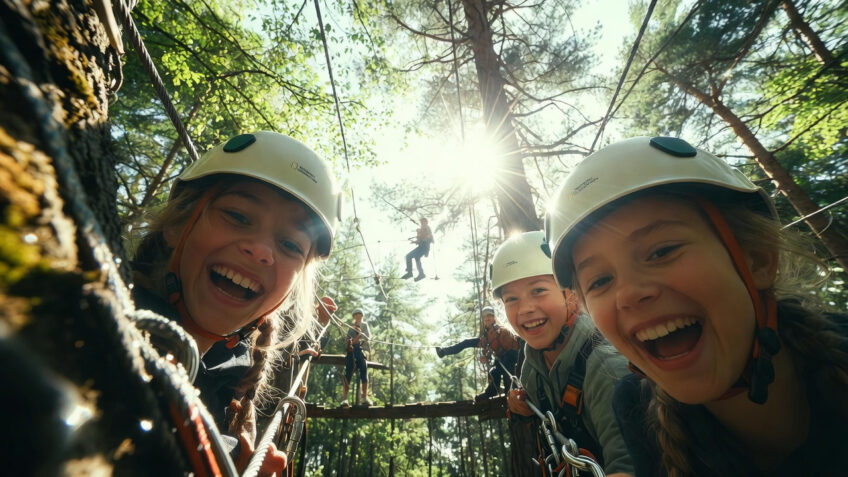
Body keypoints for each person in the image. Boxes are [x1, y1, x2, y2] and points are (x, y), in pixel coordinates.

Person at [546, 136, 848, 476]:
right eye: (600, 281)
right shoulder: (634, 403)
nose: (628, 295)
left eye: (662, 251)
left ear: (758, 261)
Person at [131, 131, 341, 474]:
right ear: (176, 225)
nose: (260, 251)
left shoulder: (230, 395)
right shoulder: (97, 333)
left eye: (290, 245)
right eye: (238, 216)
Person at [496, 231, 635, 476]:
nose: (526, 309)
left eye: (538, 290)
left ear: (570, 292)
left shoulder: (606, 366)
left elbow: (631, 466)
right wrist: (524, 406)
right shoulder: (532, 369)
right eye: (511, 299)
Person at [436, 305, 521, 401]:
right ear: (483, 320)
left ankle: (510, 396)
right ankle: (444, 352)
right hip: (502, 358)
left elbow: (513, 349)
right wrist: (485, 355)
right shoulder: (487, 335)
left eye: (490, 315)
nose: (487, 318)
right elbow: (489, 347)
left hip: (511, 357)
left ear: (494, 318)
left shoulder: (502, 330)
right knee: (492, 371)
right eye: (485, 317)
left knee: (508, 380)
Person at [341, 308, 372, 406]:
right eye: (356, 315)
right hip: (352, 351)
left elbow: (367, 338)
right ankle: (345, 399)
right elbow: (348, 343)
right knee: (348, 372)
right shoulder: (351, 328)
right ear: (354, 317)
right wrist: (358, 335)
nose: (358, 317)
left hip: (361, 351)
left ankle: (364, 397)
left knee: (364, 369)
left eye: (360, 315)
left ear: (362, 316)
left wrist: (361, 334)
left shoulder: (365, 325)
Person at [402, 217, 434, 281]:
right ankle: (421, 274)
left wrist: (420, 233)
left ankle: (410, 272)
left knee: (409, 256)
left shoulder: (427, 228)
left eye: (423, 222)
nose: (422, 223)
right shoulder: (422, 229)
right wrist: (415, 241)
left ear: (426, 222)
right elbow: (420, 240)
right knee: (416, 257)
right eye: (421, 222)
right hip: (422, 247)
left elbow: (428, 236)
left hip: (424, 247)